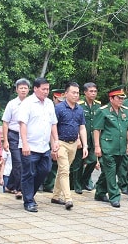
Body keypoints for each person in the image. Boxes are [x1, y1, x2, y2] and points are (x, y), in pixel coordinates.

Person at [18, 77, 59, 212]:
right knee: (28, 173)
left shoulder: (49, 104)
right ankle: (28, 201)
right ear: (35, 89)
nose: (46, 92)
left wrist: (56, 141)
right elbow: (22, 124)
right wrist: (24, 144)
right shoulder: (27, 103)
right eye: (43, 89)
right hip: (29, 145)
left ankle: (28, 193)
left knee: (45, 170)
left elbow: (53, 123)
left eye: (47, 89)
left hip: (44, 146)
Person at [50, 82, 88, 210]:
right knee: (65, 170)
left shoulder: (80, 110)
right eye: (73, 92)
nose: (76, 95)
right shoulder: (59, 108)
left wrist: (85, 145)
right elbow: (52, 127)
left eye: (77, 93)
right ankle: (68, 198)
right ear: (66, 94)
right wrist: (53, 145)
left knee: (63, 170)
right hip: (61, 142)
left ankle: (55, 196)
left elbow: (82, 128)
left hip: (73, 144)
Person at [93, 85, 128, 208]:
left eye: (122, 98)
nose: (121, 100)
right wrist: (97, 146)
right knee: (110, 171)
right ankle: (114, 196)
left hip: (121, 147)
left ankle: (99, 191)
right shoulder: (103, 111)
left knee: (110, 172)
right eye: (118, 98)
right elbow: (97, 130)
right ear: (111, 98)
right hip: (108, 146)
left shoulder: (125, 111)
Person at [1, 78, 30, 199]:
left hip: (27, 136)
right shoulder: (12, 104)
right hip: (13, 135)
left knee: (23, 161)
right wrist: (5, 140)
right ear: (17, 89)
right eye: (21, 88)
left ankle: (10, 185)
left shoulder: (31, 103)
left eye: (25, 88)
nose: (23, 90)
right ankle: (19, 189)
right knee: (18, 162)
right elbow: (5, 122)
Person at [71, 82, 100, 194]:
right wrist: (77, 138)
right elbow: (75, 122)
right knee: (78, 163)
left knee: (92, 160)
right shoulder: (79, 105)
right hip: (81, 138)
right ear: (85, 92)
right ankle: (77, 185)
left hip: (93, 138)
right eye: (91, 91)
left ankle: (84, 181)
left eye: (95, 91)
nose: (93, 93)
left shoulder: (98, 105)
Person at [43, 88, 65, 193]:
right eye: (59, 100)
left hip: (60, 138)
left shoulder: (64, 109)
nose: (60, 103)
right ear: (54, 98)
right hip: (47, 138)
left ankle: (49, 184)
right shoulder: (49, 108)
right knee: (46, 163)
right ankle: (43, 183)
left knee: (56, 163)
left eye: (62, 100)